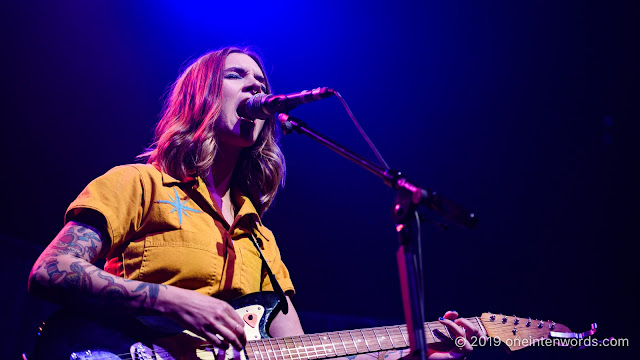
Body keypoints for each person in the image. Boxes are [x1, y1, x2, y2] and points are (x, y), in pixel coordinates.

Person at [28, 46, 483, 359]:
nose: (253, 85)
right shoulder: (139, 184)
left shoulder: (261, 239)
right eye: (236, 75)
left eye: (260, 80)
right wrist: (177, 302)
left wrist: (416, 350)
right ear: (201, 96)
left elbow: (298, 352)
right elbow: (51, 272)